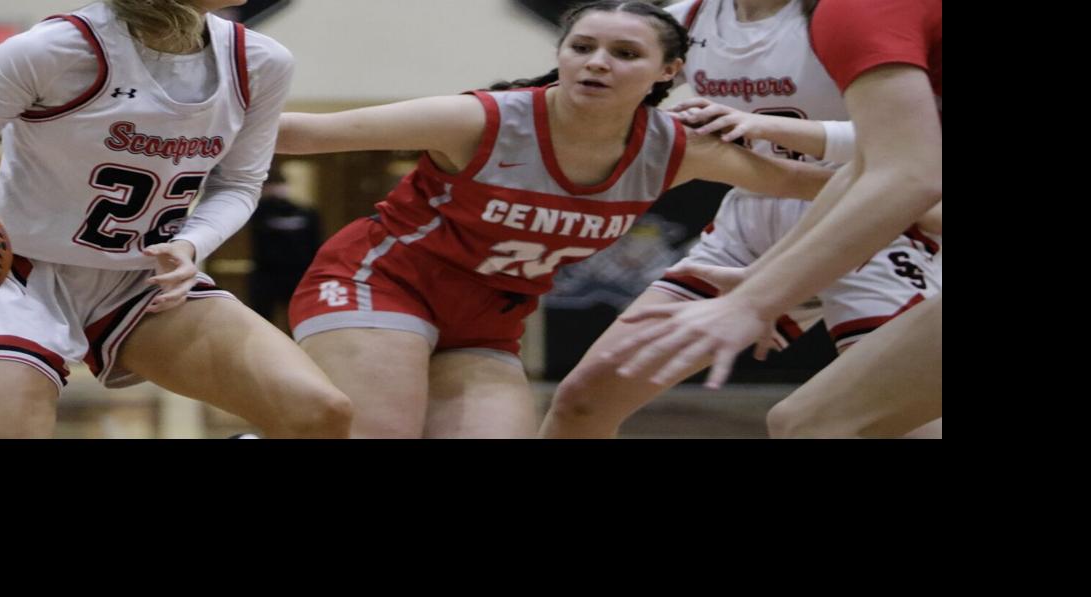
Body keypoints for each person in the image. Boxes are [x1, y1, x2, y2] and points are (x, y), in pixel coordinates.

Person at [0, 0, 351, 438]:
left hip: (143, 276)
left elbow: (239, 185)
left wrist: (192, 242)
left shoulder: (262, 61)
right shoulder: (51, 49)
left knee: (319, 413)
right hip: (14, 274)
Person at [273, 0, 834, 438]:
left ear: (669, 70)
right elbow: (301, 134)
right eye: (582, 47)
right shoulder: (481, 119)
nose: (597, 62)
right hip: (382, 282)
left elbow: (826, 184)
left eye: (624, 53)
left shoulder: (675, 147)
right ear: (561, 54)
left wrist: (795, 274)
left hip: (489, 319)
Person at [541, 0, 940, 438]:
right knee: (585, 397)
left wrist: (766, 127)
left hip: (869, 221)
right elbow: (583, 89)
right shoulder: (686, 18)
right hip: (751, 222)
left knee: (873, 424)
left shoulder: (845, 14)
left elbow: (908, 148)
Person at [247, 175, 322, 334]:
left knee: (300, 318)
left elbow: (316, 243)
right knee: (261, 320)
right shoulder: (259, 212)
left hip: (299, 273)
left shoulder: (305, 212)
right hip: (266, 273)